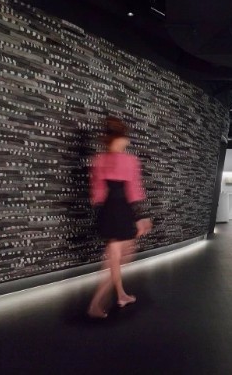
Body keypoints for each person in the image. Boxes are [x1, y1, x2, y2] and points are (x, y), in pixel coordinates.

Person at [87, 116, 152, 319]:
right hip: (123, 210)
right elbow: (133, 191)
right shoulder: (130, 160)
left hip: (108, 210)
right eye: (126, 137)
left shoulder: (99, 160)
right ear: (120, 138)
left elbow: (97, 194)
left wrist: (103, 214)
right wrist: (140, 217)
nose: (128, 141)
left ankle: (121, 294)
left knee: (116, 256)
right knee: (121, 256)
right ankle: (97, 303)